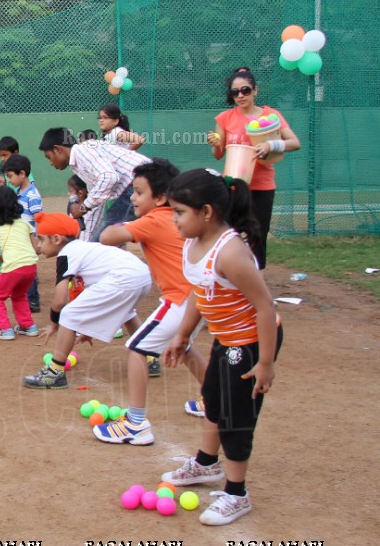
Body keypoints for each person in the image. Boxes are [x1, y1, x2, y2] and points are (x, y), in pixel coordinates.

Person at [161, 167, 280, 526]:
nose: (175, 221)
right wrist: (183, 335)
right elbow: (201, 291)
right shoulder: (193, 244)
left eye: (180, 212)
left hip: (251, 342)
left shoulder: (230, 252)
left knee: (236, 417)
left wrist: (265, 364)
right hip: (226, 338)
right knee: (212, 399)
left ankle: (236, 493)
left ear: (207, 212)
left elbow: (265, 306)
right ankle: (206, 463)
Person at [93, 159, 209, 445]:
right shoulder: (175, 217)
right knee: (185, 348)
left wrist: (126, 220)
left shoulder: (155, 219)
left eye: (139, 192)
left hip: (180, 299)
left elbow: (107, 237)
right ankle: (214, 399)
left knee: (136, 349)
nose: (133, 197)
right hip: (198, 299)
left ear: (160, 198)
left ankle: (135, 423)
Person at [22, 212, 153, 389]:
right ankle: (150, 358)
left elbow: (60, 300)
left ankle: (54, 373)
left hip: (124, 278)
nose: (38, 246)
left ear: (57, 239)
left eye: (41, 240)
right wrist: (89, 328)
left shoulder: (67, 254)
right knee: (127, 313)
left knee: (68, 313)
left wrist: (54, 323)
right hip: (142, 275)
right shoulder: (84, 248)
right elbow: (94, 298)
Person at [207, 67, 300, 268]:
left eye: (245, 90)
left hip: (262, 186)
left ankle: (255, 278)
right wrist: (215, 145)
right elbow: (218, 155)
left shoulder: (271, 115)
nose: (240, 95)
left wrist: (270, 145)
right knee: (227, 232)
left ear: (255, 91)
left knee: (257, 234)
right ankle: (227, 276)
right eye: (235, 92)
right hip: (232, 185)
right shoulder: (224, 118)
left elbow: (294, 142)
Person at [39, 126, 150, 239]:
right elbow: (96, 205)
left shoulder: (83, 151)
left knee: (108, 238)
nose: (51, 163)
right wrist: (84, 242)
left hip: (139, 184)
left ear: (58, 149)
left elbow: (109, 177)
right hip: (140, 185)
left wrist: (83, 207)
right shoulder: (79, 164)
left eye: (49, 157)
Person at [0, 185, 37, 340]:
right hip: (31, 266)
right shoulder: (24, 222)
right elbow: (36, 247)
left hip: (13, 267)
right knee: (19, 294)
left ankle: (4, 329)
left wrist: (3, 260)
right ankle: (28, 326)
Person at [2, 154, 42, 312]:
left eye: (10, 176)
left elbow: (39, 219)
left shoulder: (32, 195)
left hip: (30, 239)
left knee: (27, 269)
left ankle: (32, 300)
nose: (9, 180)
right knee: (22, 268)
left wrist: (38, 241)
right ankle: (26, 297)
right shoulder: (18, 192)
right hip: (21, 239)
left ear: (22, 174)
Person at [67, 175, 101, 242]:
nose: (68, 194)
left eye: (70, 191)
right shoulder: (73, 207)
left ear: (80, 193)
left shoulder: (92, 211)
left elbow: (86, 238)